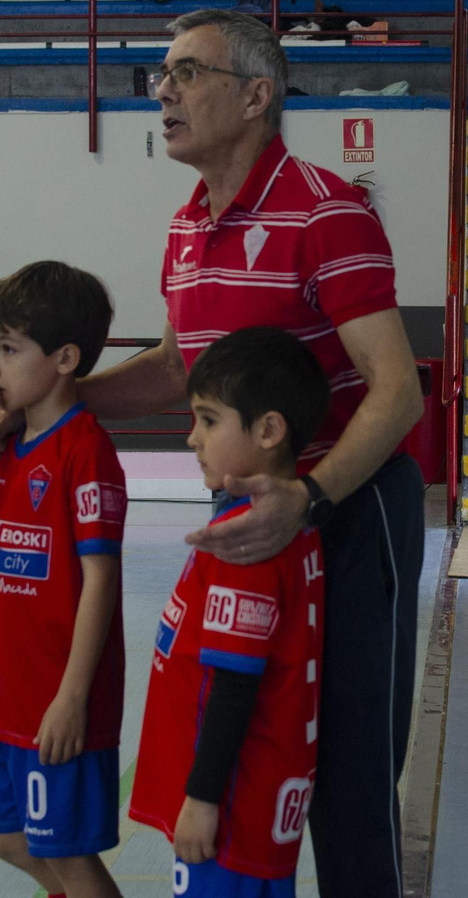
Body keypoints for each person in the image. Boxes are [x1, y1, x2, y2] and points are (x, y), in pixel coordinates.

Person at [95, 8, 422, 897]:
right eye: (160, 74)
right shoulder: (183, 227)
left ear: (255, 94)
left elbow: (396, 389)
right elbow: (174, 370)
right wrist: (52, 404)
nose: (163, 91)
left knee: (351, 774)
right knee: (244, 752)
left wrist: (309, 497)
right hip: (245, 519)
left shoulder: (328, 212)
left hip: (346, 512)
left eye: (186, 73)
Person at [0, 259, 127, 898]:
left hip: (56, 698)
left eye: (8, 349)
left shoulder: (85, 450)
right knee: (8, 839)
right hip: (3, 695)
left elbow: (101, 580)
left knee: (70, 856)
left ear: (65, 357)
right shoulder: (2, 447)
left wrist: (72, 696)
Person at [129, 327, 330, 897]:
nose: (192, 438)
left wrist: (202, 798)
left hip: (235, 808)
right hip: (259, 802)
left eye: (209, 420)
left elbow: (234, 684)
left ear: (269, 430)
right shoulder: (293, 526)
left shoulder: (249, 542)